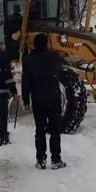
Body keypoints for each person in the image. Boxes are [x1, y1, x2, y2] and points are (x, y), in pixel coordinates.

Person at [22, 33, 66, 170]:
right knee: (55, 130)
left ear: (34, 44)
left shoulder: (29, 61)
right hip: (53, 98)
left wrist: (25, 99)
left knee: (40, 130)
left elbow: (25, 82)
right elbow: (61, 74)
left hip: (38, 100)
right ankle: (56, 159)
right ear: (46, 43)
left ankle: (41, 160)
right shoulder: (54, 57)